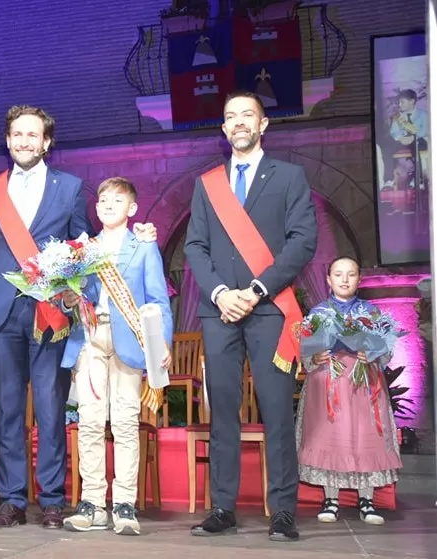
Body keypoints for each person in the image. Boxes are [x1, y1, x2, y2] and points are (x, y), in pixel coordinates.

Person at [0, 105, 157, 529]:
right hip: (2, 310)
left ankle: (53, 499)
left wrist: (140, 235)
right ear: (8, 141)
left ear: (47, 142)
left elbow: (86, 245)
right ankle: (12, 499)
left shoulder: (71, 186)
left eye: (32, 135)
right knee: (7, 409)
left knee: (50, 407)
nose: (24, 141)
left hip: (52, 310)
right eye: (17, 134)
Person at [184, 90, 317, 542]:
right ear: (223, 129)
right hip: (218, 311)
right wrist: (222, 293)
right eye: (230, 117)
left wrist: (257, 290)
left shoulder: (290, 177)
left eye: (247, 115)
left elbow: (302, 241)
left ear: (264, 124)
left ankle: (282, 510)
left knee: (276, 410)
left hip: (270, 310)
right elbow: (195, 247)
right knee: (223, 409)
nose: (239, 122)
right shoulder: (207, 185)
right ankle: (222, 507)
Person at [60, 177, 173, 536]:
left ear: (132, 208)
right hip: (89, 338)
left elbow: (157, 298)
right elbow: (69, 296)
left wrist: (162, 342)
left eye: (117, 200)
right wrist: (67, 298)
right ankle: (92, 501)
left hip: (129, 339)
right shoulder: (83, 248)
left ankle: (124, 502)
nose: (108, 205)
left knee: (124, 423)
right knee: (90, 422)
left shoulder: (143, 246)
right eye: (103, 200)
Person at [296, 256, 402, 525]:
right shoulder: (318, 314)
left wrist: (375, 353)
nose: (344, 279)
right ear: (328, 279)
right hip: (327, 382)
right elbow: (306, 353)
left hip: (363, 383)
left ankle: (366, 500)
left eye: (351, 274)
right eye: (338, 274)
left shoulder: (371, 312)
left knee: (364, 436)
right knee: (330, 436)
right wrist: (314, 357)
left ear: (359, 279)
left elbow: (387, 349)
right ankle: (330, 499)